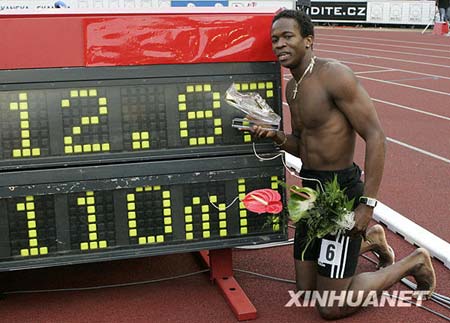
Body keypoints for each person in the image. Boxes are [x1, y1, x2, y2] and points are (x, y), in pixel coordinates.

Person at [251, 10, 436, 319]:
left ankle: (413, 261)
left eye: (287, 37)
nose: (280, 44)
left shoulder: (334, 75)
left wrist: (367, 204)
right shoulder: (292, 88)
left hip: (342, 193)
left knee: (331, 305)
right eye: (275, 40)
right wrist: (276, 137)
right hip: (309, 192)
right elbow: (303, 143)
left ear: (308, 40)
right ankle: (373, 241)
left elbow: (376, 135)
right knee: (305, 291)